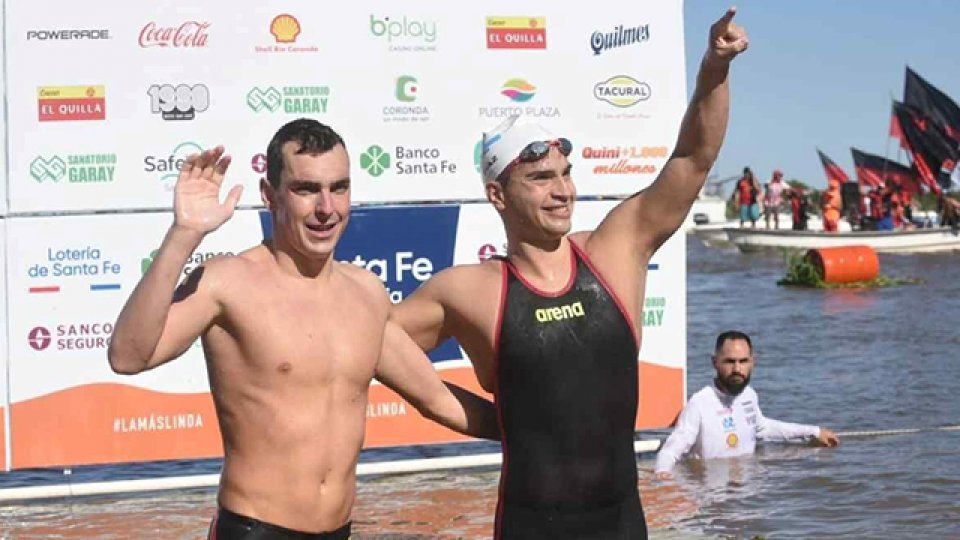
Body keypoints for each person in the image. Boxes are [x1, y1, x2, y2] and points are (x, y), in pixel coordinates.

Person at [391, 8, 748, 539]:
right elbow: (374, 340)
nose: (562, 191)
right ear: (497, 195)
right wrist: (477, 417)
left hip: (622, 523)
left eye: (565, 174)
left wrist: (713, 71)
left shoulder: (614, 251)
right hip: (529, 526)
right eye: (540, 178)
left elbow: (693, 159)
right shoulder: (470, 290)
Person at [108, 119, 499, 539]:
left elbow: (436, 398)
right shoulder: (228, 282)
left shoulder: (365, 293)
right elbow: (129, 356)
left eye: (339, 188)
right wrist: (184, 235)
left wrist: (546, 433)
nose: (326, 208)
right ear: (269, 195)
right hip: (255, 529)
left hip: (339, 530)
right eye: (306, 189)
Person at [654, 331, 839, 480]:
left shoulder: (749, 395)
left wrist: (814, 432)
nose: (737, 369)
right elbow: (671, 450)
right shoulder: (699, 403)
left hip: (747, 496)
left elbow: (764, 428)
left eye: (743, 361)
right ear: (714, 362)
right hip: (712, 499)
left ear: (753, 362)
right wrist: (663, 476)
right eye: (729, 361)